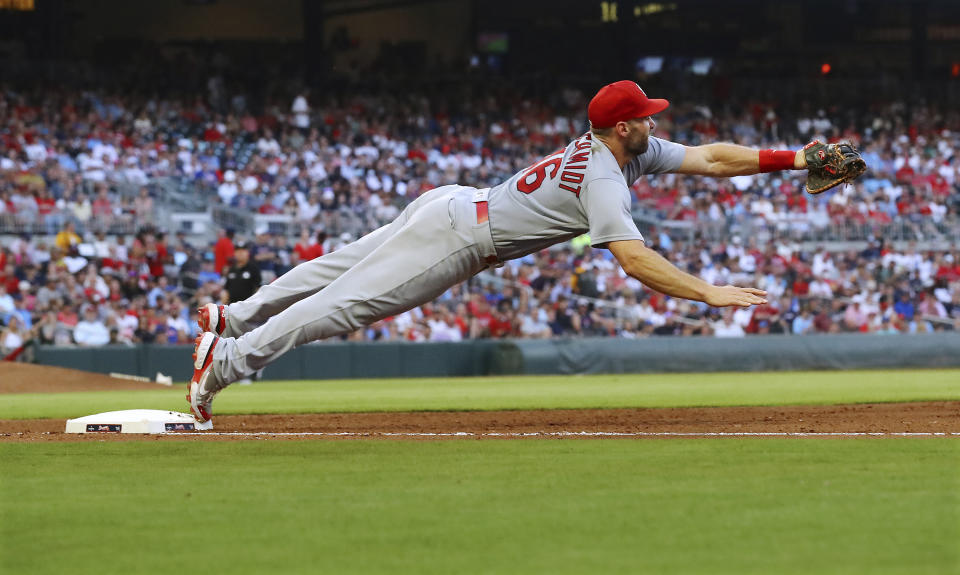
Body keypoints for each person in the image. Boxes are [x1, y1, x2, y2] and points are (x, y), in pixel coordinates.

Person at [187, 80, 808, 423]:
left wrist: (796, 159)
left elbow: (708, 158)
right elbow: (634, 260)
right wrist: (706, 291)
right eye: (646, 117)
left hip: (455, 204)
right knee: (342, 304)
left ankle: (233, 316)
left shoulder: (626, 150)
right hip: (459, 235)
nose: (654, 122)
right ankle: (224, 361)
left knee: (338, 266)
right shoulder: (602, 177)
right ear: (623, 127)